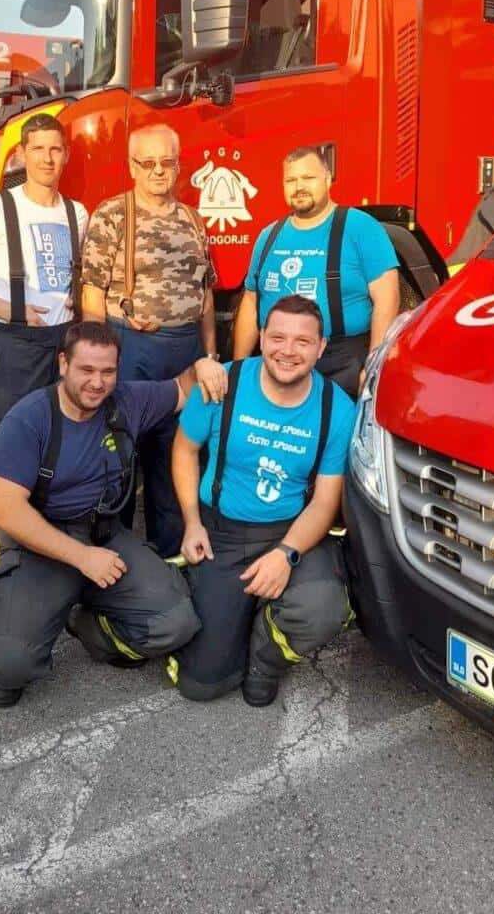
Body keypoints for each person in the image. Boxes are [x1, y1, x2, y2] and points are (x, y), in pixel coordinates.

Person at [0, 320, 227, 708]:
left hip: (104, 535)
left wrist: (203, 365)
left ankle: (87, 623)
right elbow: (5, 510)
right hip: (43, 540)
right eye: (86, 370)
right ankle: (12, 616)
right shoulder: (29, 419)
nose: (97, 382)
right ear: (63, 363)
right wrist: (82, 558)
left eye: (107, 371)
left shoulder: (128, 401)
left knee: (176, 624)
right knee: (10, 667)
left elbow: (182, 387)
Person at [171, 295, 355, 707]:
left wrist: (286, 554)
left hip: (291, 532)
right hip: (224, 532)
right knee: (201, 685)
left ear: (321, 347)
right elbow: (184, 450)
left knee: (323, 609)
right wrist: (192, 522)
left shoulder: (337, 409)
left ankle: (265, 660)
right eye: (277, 338)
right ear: (261, 336)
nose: (287, 351)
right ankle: (231, 602)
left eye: (303, 342)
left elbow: (325, 503)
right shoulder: (223, 383)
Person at [0, 113, 88, 582]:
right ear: (22, 154)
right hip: (8, 347)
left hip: (61, 348)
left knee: (54, 457)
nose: (48, 158)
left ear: (66, 155)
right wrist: (14, 311)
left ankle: (40, 568)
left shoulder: (78, 213)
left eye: (56, 149)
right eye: (39, 149)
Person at [81, 123, 217, 556]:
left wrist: (210, 352)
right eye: (148, 163)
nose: (158, 171)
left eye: (167, 162)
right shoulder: (112, 215)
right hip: (131, 351)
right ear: (132, 167)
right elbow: (92, 293)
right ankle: (114, 556)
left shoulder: (193, 219)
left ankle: (174, 555)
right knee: (119, 456)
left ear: (178, 165)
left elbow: (206, 294)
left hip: (186, 351)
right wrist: (98, 357)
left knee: (178, 453)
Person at [233, 145, 400, 397]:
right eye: (291, 180)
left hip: (340, 365)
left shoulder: (362, 228)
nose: (299, 187)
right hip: (278, 362)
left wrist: (373, 366)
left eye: (308, 178)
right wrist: (239, 367)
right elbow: (251, 300)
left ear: (328, 179)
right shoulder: (268, 236)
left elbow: (388, 300)